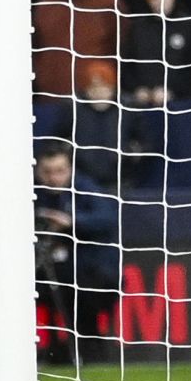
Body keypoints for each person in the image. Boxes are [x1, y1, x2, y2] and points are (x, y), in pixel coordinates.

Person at [34, 141, 119, 364]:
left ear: (70, 169)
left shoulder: (85, 188)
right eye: (47, 172)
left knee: (81, 288)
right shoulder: (31, 193)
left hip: (90, 270)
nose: (54, 178)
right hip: (47, 270)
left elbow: (108, 218)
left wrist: (71, 222)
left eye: (60, 171)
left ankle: (89, 348)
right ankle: (50, 349)